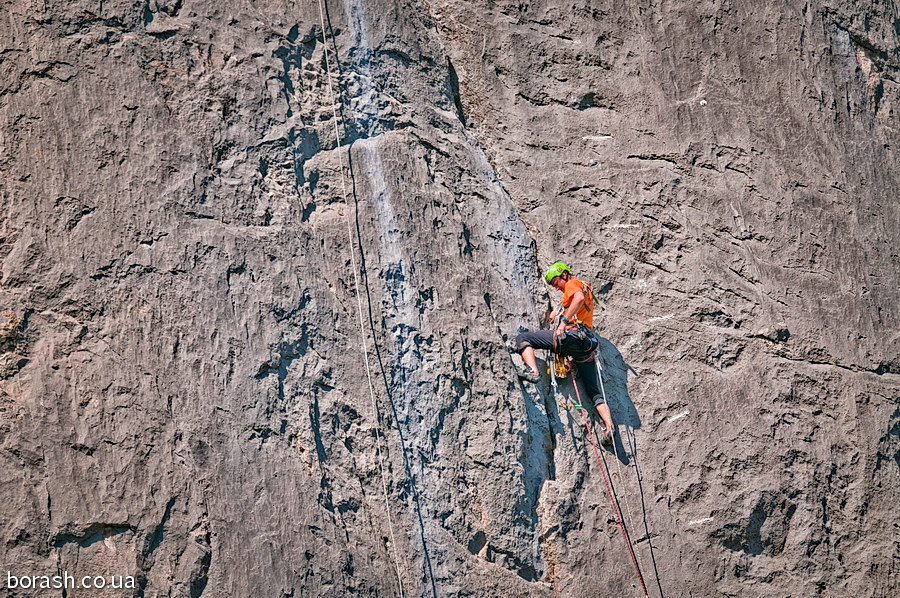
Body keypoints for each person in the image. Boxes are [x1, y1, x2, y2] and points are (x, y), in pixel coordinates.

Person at [516, 262, 615, 443]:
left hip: (572, 337)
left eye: (556, 282)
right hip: (586, 346)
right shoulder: (584, 287)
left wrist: (562, 323)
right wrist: (558, 311)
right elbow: (574, 303)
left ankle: (533, 371)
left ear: (564, 275)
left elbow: (576, 299)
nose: (556, 287)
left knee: (524, 338)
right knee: (595, 392)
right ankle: (609, 427)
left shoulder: (572, 284)